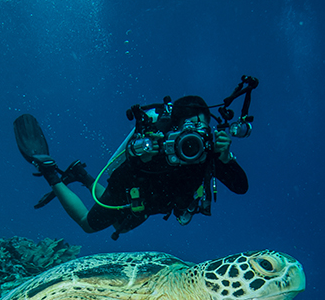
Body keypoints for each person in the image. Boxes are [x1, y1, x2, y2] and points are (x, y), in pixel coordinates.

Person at [15, 95, 249, 240]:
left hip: (153, 205)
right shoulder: (156, 142)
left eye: (201, 130)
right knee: (88, 225)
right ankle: (50, 172)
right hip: (135, 195)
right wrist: (142, 160)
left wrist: (226, 158)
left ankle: (82, 175)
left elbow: (241, 187)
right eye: (186, 130)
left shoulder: (210, 152)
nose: (192, 139)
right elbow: (119, 177)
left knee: (119, 225)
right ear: (173, 128)